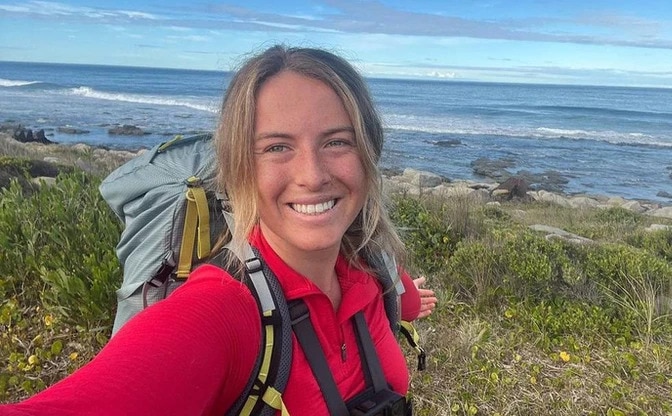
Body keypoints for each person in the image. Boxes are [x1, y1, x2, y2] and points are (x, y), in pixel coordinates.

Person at [0, 45, 436, 415]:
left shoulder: (372, 262)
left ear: (369, 155)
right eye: (277, 147)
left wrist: (411, 299)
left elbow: (403, 299)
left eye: (337, 141)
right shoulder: (220, 312)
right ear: (239, 170)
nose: (313, 174)